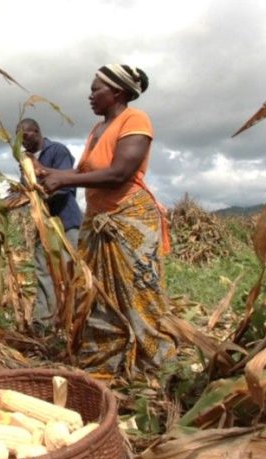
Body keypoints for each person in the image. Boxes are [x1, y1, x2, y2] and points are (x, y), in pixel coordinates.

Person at [39, 64, 175, 375]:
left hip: (128, 219)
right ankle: (106, 365)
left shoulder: (135, 119)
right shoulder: (97, 129)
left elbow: (119, 174)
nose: (90, 95)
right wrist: (47, 173)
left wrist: (62, 181)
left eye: (95, 89)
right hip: (98, 219)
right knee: (96, 293)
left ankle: (155, 369)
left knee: (138, 294)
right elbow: (85, 172)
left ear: (117, 92)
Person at [16, 119, 83, 332]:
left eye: (25, 136)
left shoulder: (58, 151)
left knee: (67, 272)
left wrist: (38, 183)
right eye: (19, 139)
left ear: (36, 131)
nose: (23, 142)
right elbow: (23, 194)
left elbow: (64, 187)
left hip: (66, 222)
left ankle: (71, 322)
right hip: (44, 224)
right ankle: (42, 323)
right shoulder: (26, 162)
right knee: (42, 271)